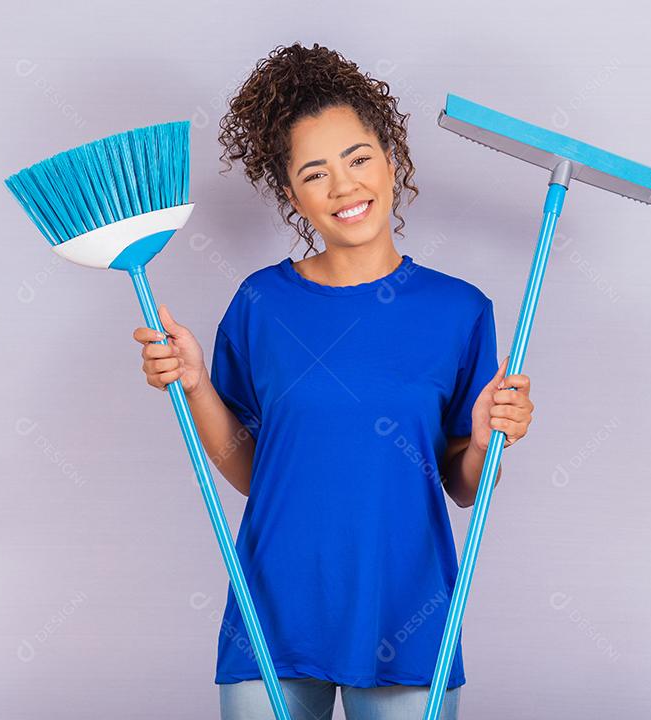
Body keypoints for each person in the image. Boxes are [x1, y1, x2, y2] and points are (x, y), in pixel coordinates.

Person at [133, 42, 535, 720]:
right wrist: (198, 385)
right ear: (291, 193)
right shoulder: (261, 304)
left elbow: (464, 487)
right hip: (275, 612)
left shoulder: (460, 311)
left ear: (391, 159)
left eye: (357, 159)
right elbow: (257, 471)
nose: (345, 187)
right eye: (315, 173)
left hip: (406, 610)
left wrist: (488, 442)